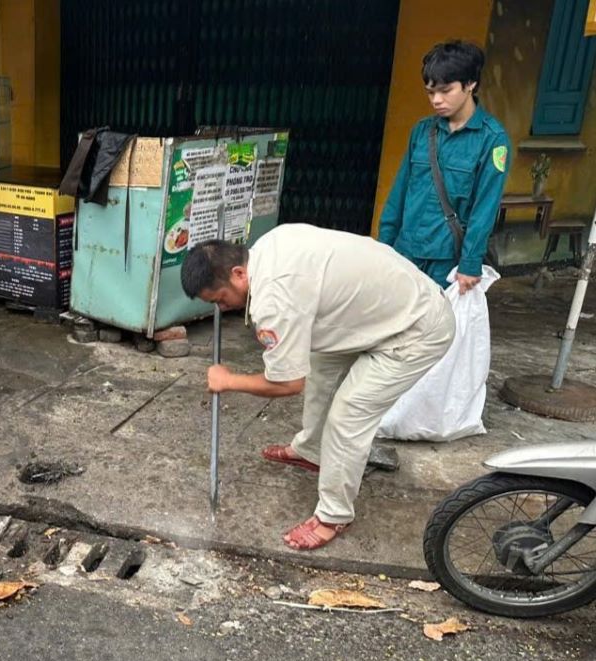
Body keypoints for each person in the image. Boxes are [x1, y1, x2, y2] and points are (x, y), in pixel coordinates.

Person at [181, 225, 455, 551]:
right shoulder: (268, 245)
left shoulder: (273, 300)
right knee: (321, 368)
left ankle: (334, 515)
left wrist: (229, 381)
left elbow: (287, 383)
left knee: (349, 415)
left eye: (220, 300)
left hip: (416, 329)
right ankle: (311, 451)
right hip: (387, 307)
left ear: (238, 274)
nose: (222, 309)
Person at [378, 40, 510, 293]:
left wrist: (470, 263)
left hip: (446, 262)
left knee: (437, 319)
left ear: (470, 84)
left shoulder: (492, 139)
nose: (436, 100)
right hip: (405, 251)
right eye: (430, 92)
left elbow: (485, 208)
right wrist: (383, 245)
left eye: (445, 91)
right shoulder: (422, 131)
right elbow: (399, 193)